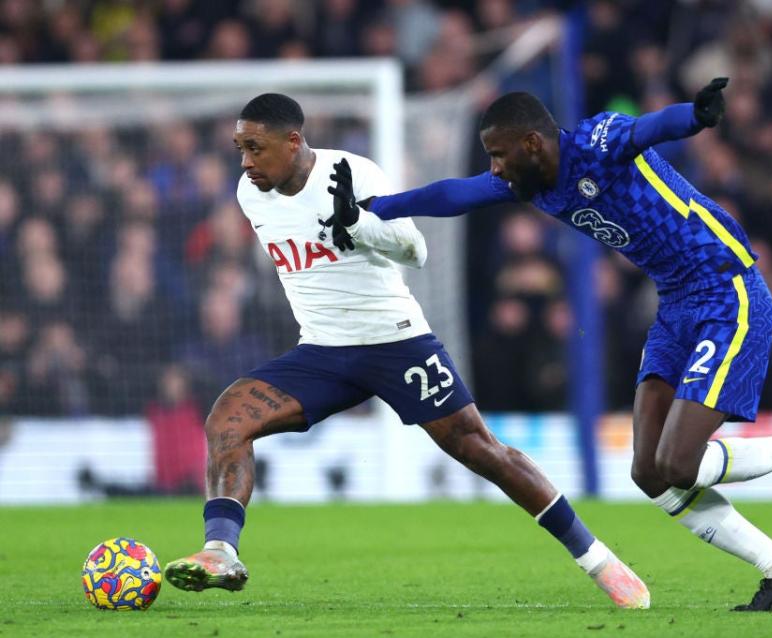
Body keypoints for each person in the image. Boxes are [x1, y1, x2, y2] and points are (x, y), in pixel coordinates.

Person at [327, 80, 772, 612]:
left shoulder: (597, 143)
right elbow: (456, 193)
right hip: (676, 304)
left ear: (532, 143)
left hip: (727, 290)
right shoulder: (531, 184)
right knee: (649, 473)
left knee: (677, 462)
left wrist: (694, 116)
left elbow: (650, 128)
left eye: (497, 154)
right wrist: (377, 207)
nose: (493, 167)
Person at [164, 93, 650, 609]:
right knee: (228, 420)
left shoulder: (352, 173)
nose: (245, 162)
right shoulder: (250, 193)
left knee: (482, 450)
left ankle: (598, 560)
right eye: (240, 148)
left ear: (293, 141)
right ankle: (220, 551)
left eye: (255, 148)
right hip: (323, 351)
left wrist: (359, 224)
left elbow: (415, 251)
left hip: (396, 342)